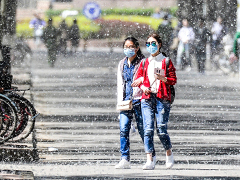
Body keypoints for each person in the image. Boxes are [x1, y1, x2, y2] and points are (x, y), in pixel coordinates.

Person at [132, 33, 177, 170]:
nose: (150, 46)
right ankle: (150, 159)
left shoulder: (166, 61)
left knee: (162, 129)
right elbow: (139, 78)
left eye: (153, 43)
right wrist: (143, 86)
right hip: (147, 99)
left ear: (159, 45)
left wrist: (163, 79)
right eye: (148, 44)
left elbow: (173, 80)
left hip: (162, 99)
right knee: (148, 129)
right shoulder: (145, 62)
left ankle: (168, 154)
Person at [115, 36, 156, 169]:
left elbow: (152, 76)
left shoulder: (143, 62)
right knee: (123, 129)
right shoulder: (122, 63)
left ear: (137, 48)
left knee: (143, 130)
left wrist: (142, 80)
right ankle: (124, 158)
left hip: (140, 100)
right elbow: (120, 84)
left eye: (131, 47)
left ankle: (151, 156)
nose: (128, 49)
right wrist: (119, 103)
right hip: (125, 102)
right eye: (126, 47)